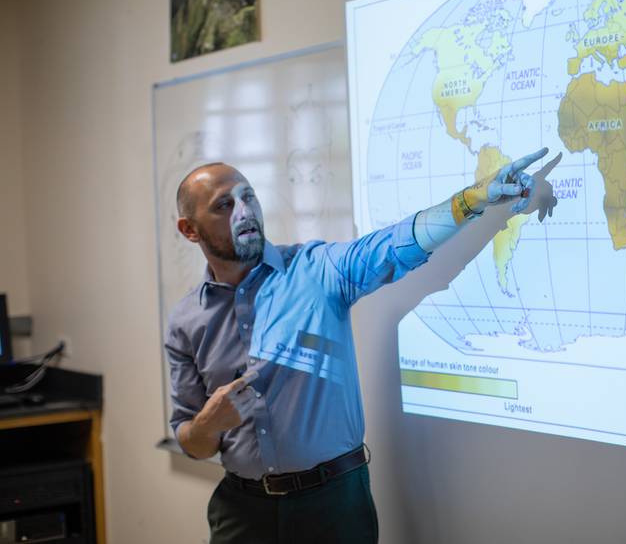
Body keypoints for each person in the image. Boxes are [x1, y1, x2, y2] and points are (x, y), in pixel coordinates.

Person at [164, 148, 552, 544]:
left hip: (332, 506)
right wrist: (209, 424)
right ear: (189, 230)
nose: (244, 211)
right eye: (224, 205)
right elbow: (192, 442)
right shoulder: (185, 322)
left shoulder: (316, 270)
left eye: (248, 196)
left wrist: (472, 200)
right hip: (242, 513)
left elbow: (393, 245)